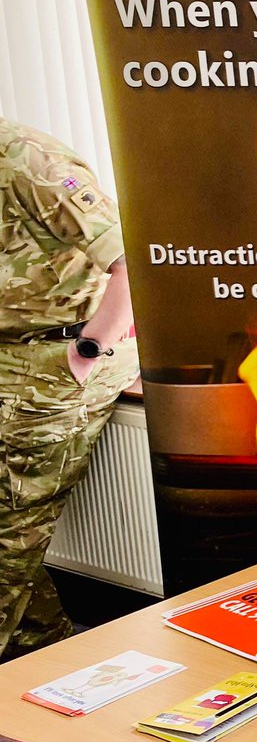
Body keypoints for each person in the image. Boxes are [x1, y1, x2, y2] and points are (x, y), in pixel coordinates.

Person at [0, 117, 138, 660]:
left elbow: (132, 262)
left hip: (60, 354)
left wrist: (86, 353)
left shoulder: (28, 160)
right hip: (10, 350)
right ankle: (44, 652)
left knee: (12, 523)